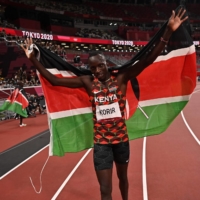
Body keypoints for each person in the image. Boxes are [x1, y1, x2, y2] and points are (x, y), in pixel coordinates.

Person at [21, 9, 187, 200]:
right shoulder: (88, 82)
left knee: (123, 179)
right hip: (102, 144)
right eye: (93, 68)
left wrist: (168, 31)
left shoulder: (122, 78)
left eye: (100, 66)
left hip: (121, 141)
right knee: (105, 190)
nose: (97, 71)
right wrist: (33, 59)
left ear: (105, 63)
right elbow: (54, 80)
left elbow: (149, 59)